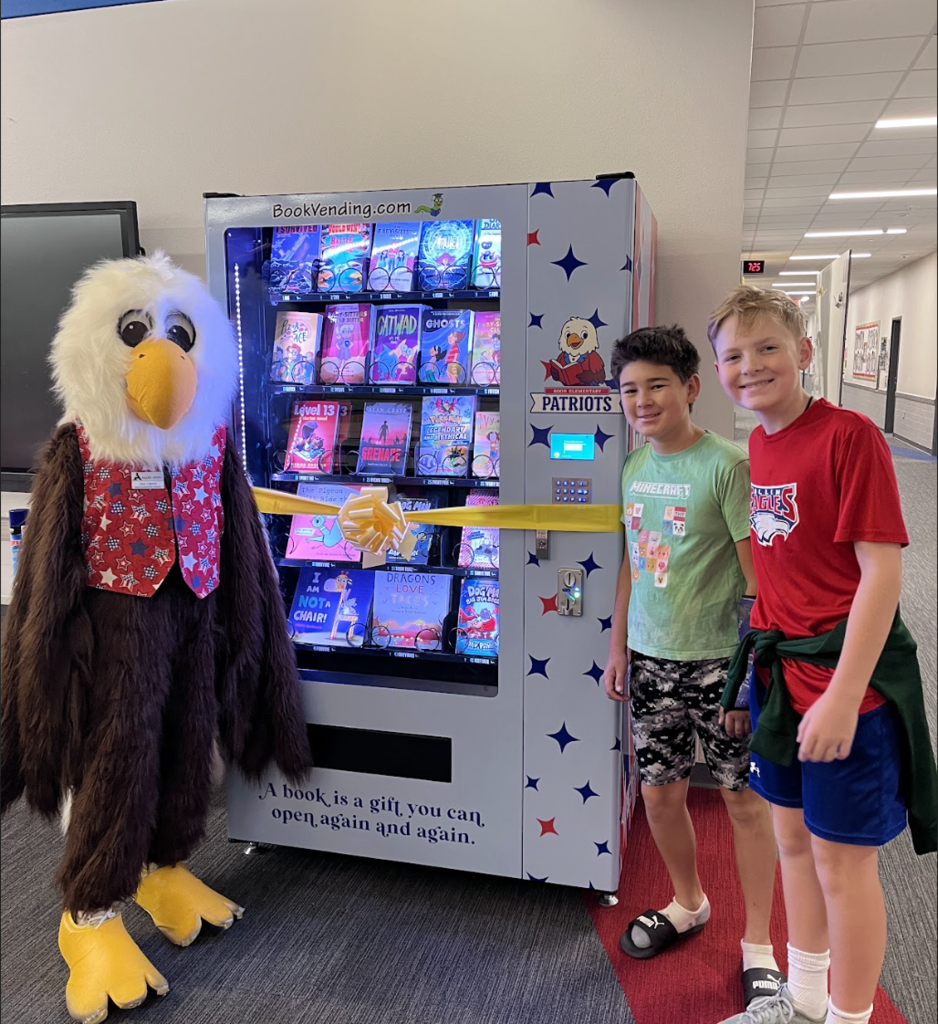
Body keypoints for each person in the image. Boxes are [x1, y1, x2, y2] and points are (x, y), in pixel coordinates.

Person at [708, 286, 937, 1024]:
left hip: (849, 688)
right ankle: (801, 1001)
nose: (751, 366)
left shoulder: (850, 436)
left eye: (768, 347)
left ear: (803, 353)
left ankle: (849, 1017)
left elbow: (883, 574)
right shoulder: (760, 443)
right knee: (792, 842)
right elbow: (778, 577)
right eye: (733, 356)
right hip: (782, 681)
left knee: (843, 862)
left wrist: (843, 693)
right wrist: (752, 692)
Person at [603, 325, 784, 1010]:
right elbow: (630, 565)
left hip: (720, 668)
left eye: (656, 385)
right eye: (629, 389)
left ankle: (760, 945)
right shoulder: (633, 467)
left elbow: (756, 582)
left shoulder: (727, 466)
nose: (642, 400)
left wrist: (747, 678)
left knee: (742, 802)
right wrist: (619, 646)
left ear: (691, 389)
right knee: (660, 796)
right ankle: (688, 904)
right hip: (652, 662)